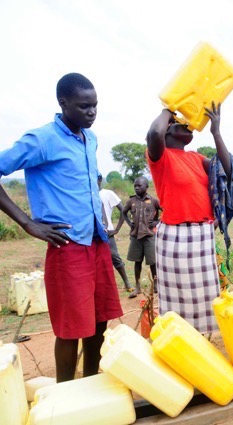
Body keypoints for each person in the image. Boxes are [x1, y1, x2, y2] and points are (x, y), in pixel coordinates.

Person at [0, 73, 123, 382]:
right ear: (63, 103)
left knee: (98, 322)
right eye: (84, 106)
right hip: (67, 246)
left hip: (96, 242)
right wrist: (29, 224)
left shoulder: (90, 138)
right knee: (71, 328)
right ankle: (65, 395)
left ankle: (92, 384)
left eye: (95, 106)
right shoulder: (42, 140)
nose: (92, 113)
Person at [146, 102, 232, 333]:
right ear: (168, 128)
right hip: (175, 238)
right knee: (176, 302)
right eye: (181, 124)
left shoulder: (197, 159)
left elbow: (228, 169)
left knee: (206, 300)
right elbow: (154, 133)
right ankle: (178, 346)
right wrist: (170, 107)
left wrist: (216, 132)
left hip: (202, 235)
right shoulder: (160, 157)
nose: (190, 126)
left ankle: (201, 350)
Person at [116, 176, 161, 298]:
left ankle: (156, 284)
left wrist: (157, 222)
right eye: (135, 186)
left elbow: (166, 210)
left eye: (139, 186)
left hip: (149, 236)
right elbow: (123, 212)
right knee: (137, 262)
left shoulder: (154, 200)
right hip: (136, 236)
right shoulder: (131, 201)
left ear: (146, 187)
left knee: (152, 262)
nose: (136, 188)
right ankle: (137, 286)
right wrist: (129, 223)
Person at [98, 173, 133, 292]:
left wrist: (117, 229)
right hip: (91, 235)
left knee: (114, 256)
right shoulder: (85, 194)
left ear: (99, 179)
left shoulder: (107, 193)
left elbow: (123, 210)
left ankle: (127, 283)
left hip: (107, 233)